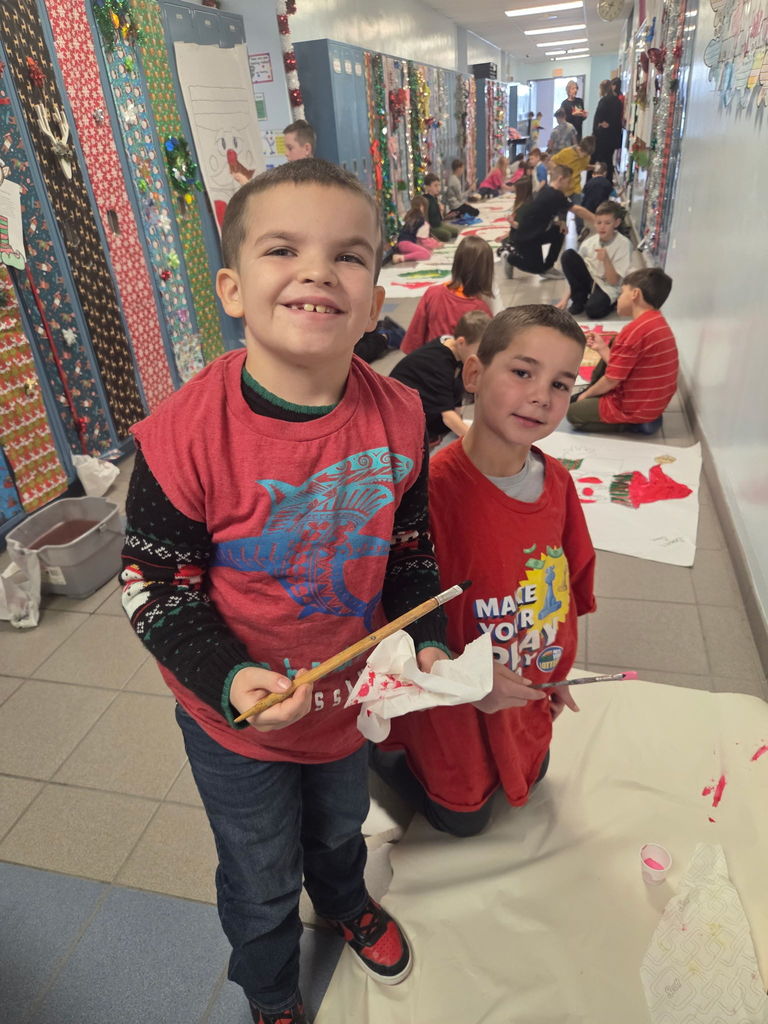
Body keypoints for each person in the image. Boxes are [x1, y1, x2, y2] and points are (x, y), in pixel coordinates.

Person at [118, 158, 450, 1024]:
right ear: (232, 287)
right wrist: (230, 681)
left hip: (344, 706)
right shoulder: (181, 437)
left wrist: (428, 638)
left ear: (376, 301)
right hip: (236, 724)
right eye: (281, 249)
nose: (316, 271)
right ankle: (270, 989)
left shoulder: (403, 415)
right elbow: (153, 587)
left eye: (348, 256)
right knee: (260, 870)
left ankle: (343, 901)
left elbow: (410, 546)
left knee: (342, 827)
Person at [372, 305, 596, 837]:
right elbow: (393, 615)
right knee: (462, 819)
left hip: (523, 682)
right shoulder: (425, 492)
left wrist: (556, 669)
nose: (542, 395)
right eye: (523, 372)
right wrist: (457, 679)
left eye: (561, 384)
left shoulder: (558, 484)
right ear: (473, 374)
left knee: (533, 775)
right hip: (448, 696)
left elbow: (564, 588)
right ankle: (379, 755)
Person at [567, 267, 678, 433]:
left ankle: (633, 424)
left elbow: (612, 379)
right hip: (654, 404)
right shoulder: (657, 322)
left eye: (621, 293)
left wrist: (585, 396)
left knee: (573, 414)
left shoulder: (633, 331)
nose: (618, 299)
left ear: (635, 294)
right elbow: (623, 368)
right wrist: (603, 349)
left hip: (634, 407)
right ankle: (639, 418)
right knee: (613, 342)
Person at [390, 310, 491, 444]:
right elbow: (448, 416)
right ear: (461, 342)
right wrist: (477, 443)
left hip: (420, 405)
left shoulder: (452, 346)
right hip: (397, 416)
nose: (482, 357)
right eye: (479, 351)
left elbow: (456, 394)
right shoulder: (438, 363)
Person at [401, 236, 499, 353]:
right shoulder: (480, 309)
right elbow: (487, 354)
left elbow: (414, 339)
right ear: (486, 271)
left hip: (429, 360)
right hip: (460, 367)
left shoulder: (432, 292)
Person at [558, 200, 633, 317]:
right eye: (598, 223)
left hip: (609, 286)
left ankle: (611, 302)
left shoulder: (624, 244)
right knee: (568, 255)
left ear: (616, 223)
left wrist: (606, 260)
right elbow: (574, 276)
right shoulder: (589, 243)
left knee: (593, 311)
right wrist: (564, 299)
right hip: (590, 280)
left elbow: (613, 281)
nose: (602, 227)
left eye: (607, 223)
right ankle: (580, 299)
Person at [504, 163, 576, 279]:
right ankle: (510, 258)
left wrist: (560, 223)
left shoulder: (547, 194)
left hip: (536, 233)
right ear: (561, 179)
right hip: (525, 238)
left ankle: (548, 267)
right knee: (536, 268)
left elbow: (543, 217)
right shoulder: (535, 200)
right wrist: (594, 218)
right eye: (568, 182)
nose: (569, 185)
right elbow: (521, 227)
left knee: (559, 232)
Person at [393, 196, 442, 263]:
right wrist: (436, 244)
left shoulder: (410, 217)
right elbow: (424, 241)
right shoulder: (421, 221)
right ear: (422, 207)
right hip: (407, 244)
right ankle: (401, 258)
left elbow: (419, 240)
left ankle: (405, 255)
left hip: (401, 245)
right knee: (426, 254)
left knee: (425, 251)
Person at [591, 80, 623, 183]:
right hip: (613, 137)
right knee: (609, 159)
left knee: (600, 160)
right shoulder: (618, 102)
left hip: (603, 137)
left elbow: (598, 118)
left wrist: (599, 126)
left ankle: (599, 181)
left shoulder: (604, 101)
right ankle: (608, 182)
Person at [423, 172, 460, 241]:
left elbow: (440, 217)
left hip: (439, 224)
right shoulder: (426, 200)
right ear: (428, 187)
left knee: (456, 232)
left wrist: (446, 215)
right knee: (447, 235)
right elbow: (426, 218)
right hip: (432, 227)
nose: (438, 188)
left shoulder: (435, 198)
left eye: (439, 185)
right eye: (435, 186)